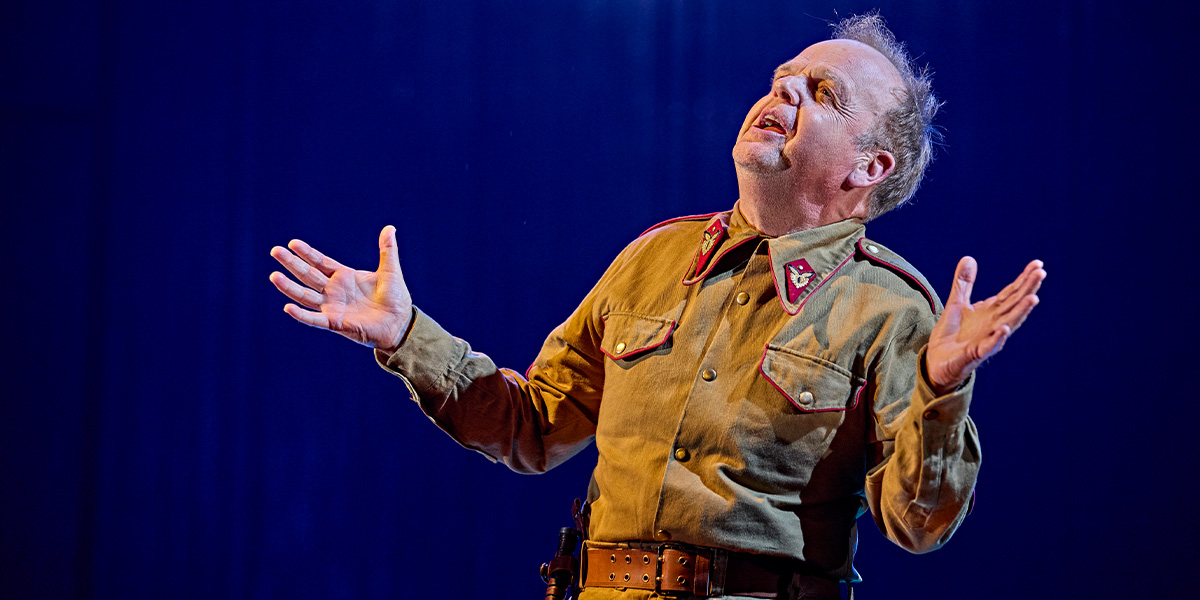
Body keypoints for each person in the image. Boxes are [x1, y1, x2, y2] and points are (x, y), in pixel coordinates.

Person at [269, 13, 1045, 600]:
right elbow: (532, 428)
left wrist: (943, 390)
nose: (784, 90)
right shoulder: (656, 258)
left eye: (823, 93)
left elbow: (918, 523)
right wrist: (406, 334)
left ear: (870, 166)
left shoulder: (891, 308)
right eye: (784, 77)